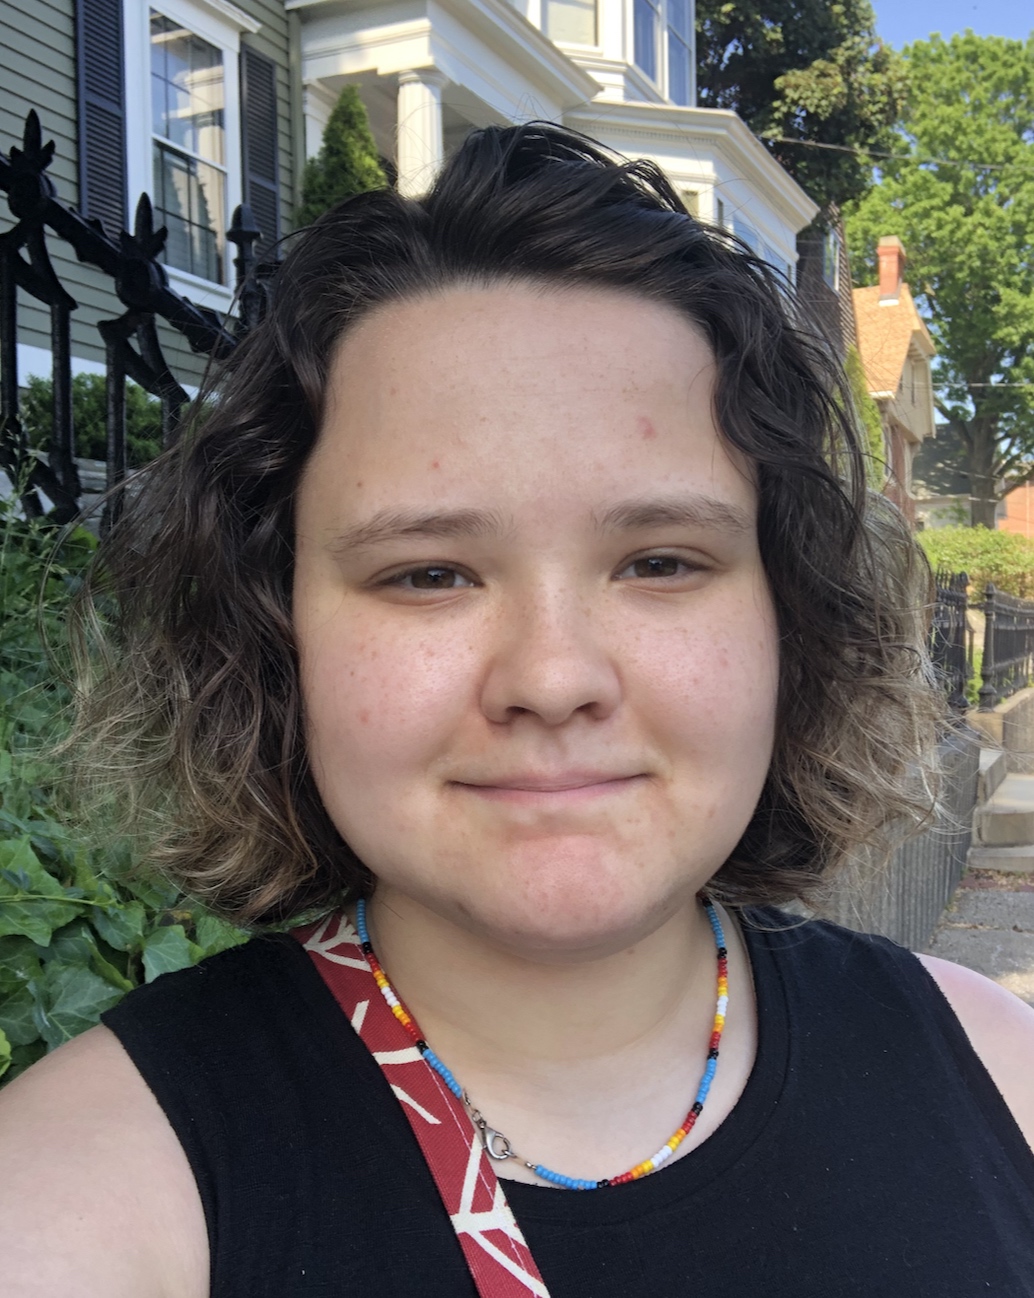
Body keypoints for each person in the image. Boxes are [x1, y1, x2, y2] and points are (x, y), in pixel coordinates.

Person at [2, 122, 1033, 1298]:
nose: (551, 676)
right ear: (274, 635)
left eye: (658, 561)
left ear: (786, 618)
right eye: (427, 572)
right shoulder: (81, 1198)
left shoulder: (999, 1076)